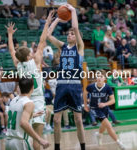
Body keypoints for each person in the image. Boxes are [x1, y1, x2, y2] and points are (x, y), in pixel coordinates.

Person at [6, 11, 53, 150]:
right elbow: (42, 41)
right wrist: (47, 23)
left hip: (24, 100)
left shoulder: (18, 64)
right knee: (36, 140)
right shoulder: (36, 62)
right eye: (30, 53)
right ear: (28, 57)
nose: (32, 53)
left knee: (27, 136)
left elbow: (11, 50)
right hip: (37, 100)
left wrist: (9, 35)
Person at [47, 4, 85, 150]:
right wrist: (57, 19)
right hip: (62, 84)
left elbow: (75, 27)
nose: (70, 34)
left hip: (75, 85)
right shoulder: (62, 47)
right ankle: (57, 147)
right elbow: (49, 35)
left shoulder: (80, 47)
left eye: (72, 34)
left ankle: (83, 147)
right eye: (68, 33)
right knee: (56, 120)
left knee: (78, 120)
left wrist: (73, 11)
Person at [84, 70, 126, 150]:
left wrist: (105, 104)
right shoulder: (91, 86)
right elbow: (84, 93)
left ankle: (99, 135)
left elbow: (113, 100)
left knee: (104, 125)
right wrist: (85, 104)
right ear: (96, 77)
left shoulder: (107, 87)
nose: (99, 78)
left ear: (104, 78)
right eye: (98, 76)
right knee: (109, 125)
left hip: (104, 108)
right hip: (94, 108)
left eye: (101, 76)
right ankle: (119, 143)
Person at [6, 77, 50, 150]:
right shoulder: (28, 103)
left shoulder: (13, 100)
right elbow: (23, 123)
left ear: (19, 87)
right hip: (20, 142)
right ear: (32, 88)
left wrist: (33, 115)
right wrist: (40, 139)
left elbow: (17, 116)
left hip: (9, 142)